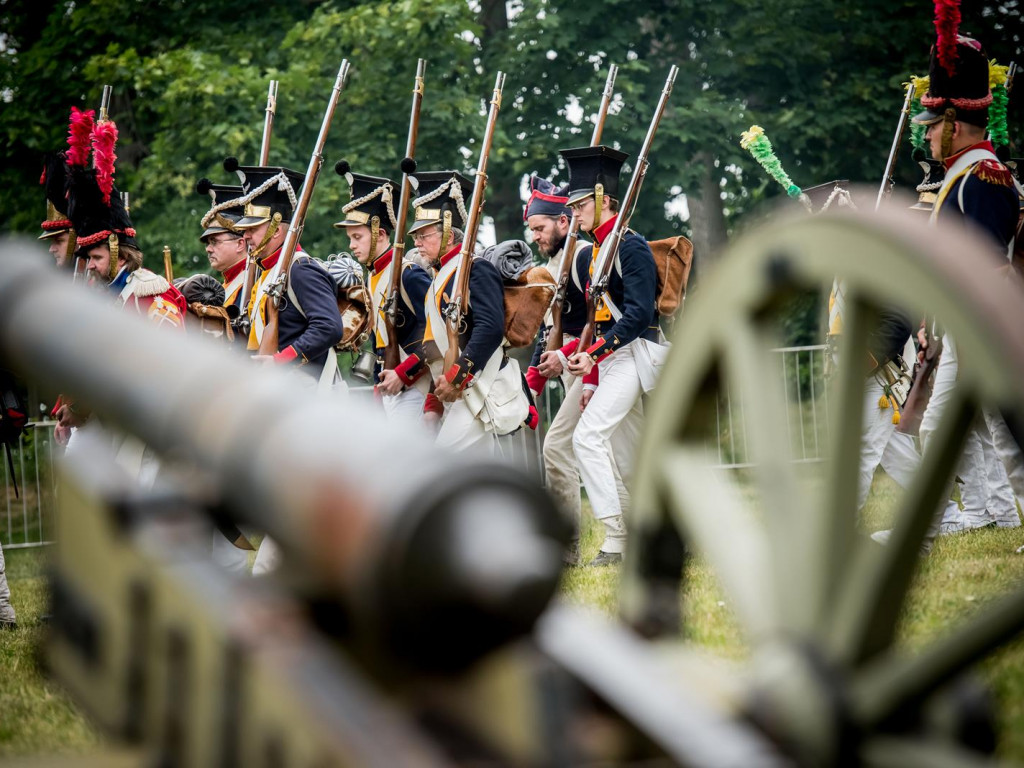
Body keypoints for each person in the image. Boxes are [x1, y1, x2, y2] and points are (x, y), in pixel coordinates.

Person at [905, 34, 1022, 552]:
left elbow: (991, 263)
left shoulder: (985, 176)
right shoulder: (963, 175)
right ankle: (933, 526)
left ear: (952, 124)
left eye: (932, 128)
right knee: (949, 427)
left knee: (1010, 430)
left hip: (987, 325)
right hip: (962, 325)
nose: (927, 138)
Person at [561, 145, 660, 566]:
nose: (575, 213)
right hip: (614, 360)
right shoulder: (594, 252)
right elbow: (596, 320)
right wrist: (593, 375)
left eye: (581, 204)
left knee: (586, 438)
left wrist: (596, 355)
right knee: (628, 456)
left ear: (603, 199)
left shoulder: (630, 247)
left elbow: (638, 314)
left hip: (636, 354)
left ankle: (618, 537)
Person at [411, 171, 528, 449]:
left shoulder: (476, 268)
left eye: (423, 235)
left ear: (449, 235)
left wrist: (457, 377)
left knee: (442, 461)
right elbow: (435, 344)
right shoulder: (439, 278)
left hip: (481, 384)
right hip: (457, 387)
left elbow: (490, 328)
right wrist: (434, 399)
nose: (417, 243)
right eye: (416, 236)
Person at [521, 175, 590, 565]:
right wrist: (532, 381)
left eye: (541, 228)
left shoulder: (582, 257)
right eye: (532, 230)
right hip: (569, 368)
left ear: (564, 222)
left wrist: (562, 356)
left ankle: (570, 546)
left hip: (592, 364)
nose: (536, 236)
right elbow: (547, 329)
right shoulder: (549, 265)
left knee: (558, 448)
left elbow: (592, 324)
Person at [228, 161, 344, 384]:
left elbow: (329, 327)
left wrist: (282, 360)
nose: (246, 236)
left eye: (253, 228)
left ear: (277, 230)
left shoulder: (301, 269)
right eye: (245, 230)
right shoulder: (265, 273)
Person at [335, 171, 431, 422]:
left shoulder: (408, 275)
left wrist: (403, 373)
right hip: (393, 384)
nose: (352, 245)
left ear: (380, 234)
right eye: (350, 238)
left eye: (357, 237)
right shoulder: (373, 276)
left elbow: (437, 334)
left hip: (417, 386)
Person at [196, 178, 250, 319]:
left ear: (240, 244)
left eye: (214, 242)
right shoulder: (226, 285)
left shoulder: (253, 281)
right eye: (208, 243)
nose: (208, 249)